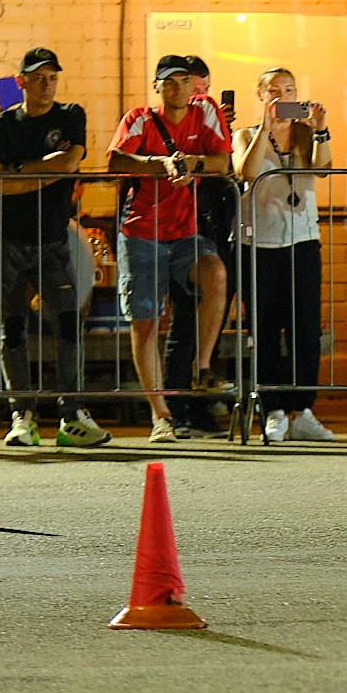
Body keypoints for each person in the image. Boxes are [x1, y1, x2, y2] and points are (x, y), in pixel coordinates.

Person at [0, 46, 110, 448]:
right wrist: (45, 170)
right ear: (21, 81)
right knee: (13, 327)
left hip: (52, 237)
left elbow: (70, 163)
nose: (46, 83)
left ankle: (71, 414)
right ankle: (22, 414)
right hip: (6, 236)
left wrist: (19, 173)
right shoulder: (2, 124)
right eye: (38, 77)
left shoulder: (70, 115)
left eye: (52, 76)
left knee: (68, 320)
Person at [107, 54, 235, 444]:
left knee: (215, 273)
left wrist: (194, 162)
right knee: (145, 323)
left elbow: (224, 161)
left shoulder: (205, 112)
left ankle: (203, 366)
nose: (178, 87)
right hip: (142, 231)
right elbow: (114, 160)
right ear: (157, 86)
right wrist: (160, 164)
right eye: (170, 81)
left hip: (186, 232)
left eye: (184, 80)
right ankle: (160, 413)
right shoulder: (140, 118)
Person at [233, 65, 336, 443]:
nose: (283, 96)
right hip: (260, 243)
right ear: (261, 95)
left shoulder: (305, 133)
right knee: (264, 329)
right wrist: (265, 127)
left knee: (305, 329)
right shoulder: (244, 133)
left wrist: (320, 128)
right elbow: (246, 171)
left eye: (290, 90)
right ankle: (273, 409)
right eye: (274, 90)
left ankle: (303, 409)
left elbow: (324, 171)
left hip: (302, 240)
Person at [168, 53, 240, 435]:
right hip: (182, 229)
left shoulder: (213, 127)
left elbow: (224, 166)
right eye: (194, 91)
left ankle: (200, 406)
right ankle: (177, 409)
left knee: (211, 315)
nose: (201, 100)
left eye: (206, 91)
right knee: (184, 321)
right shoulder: (171, 125)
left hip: (213, 228)